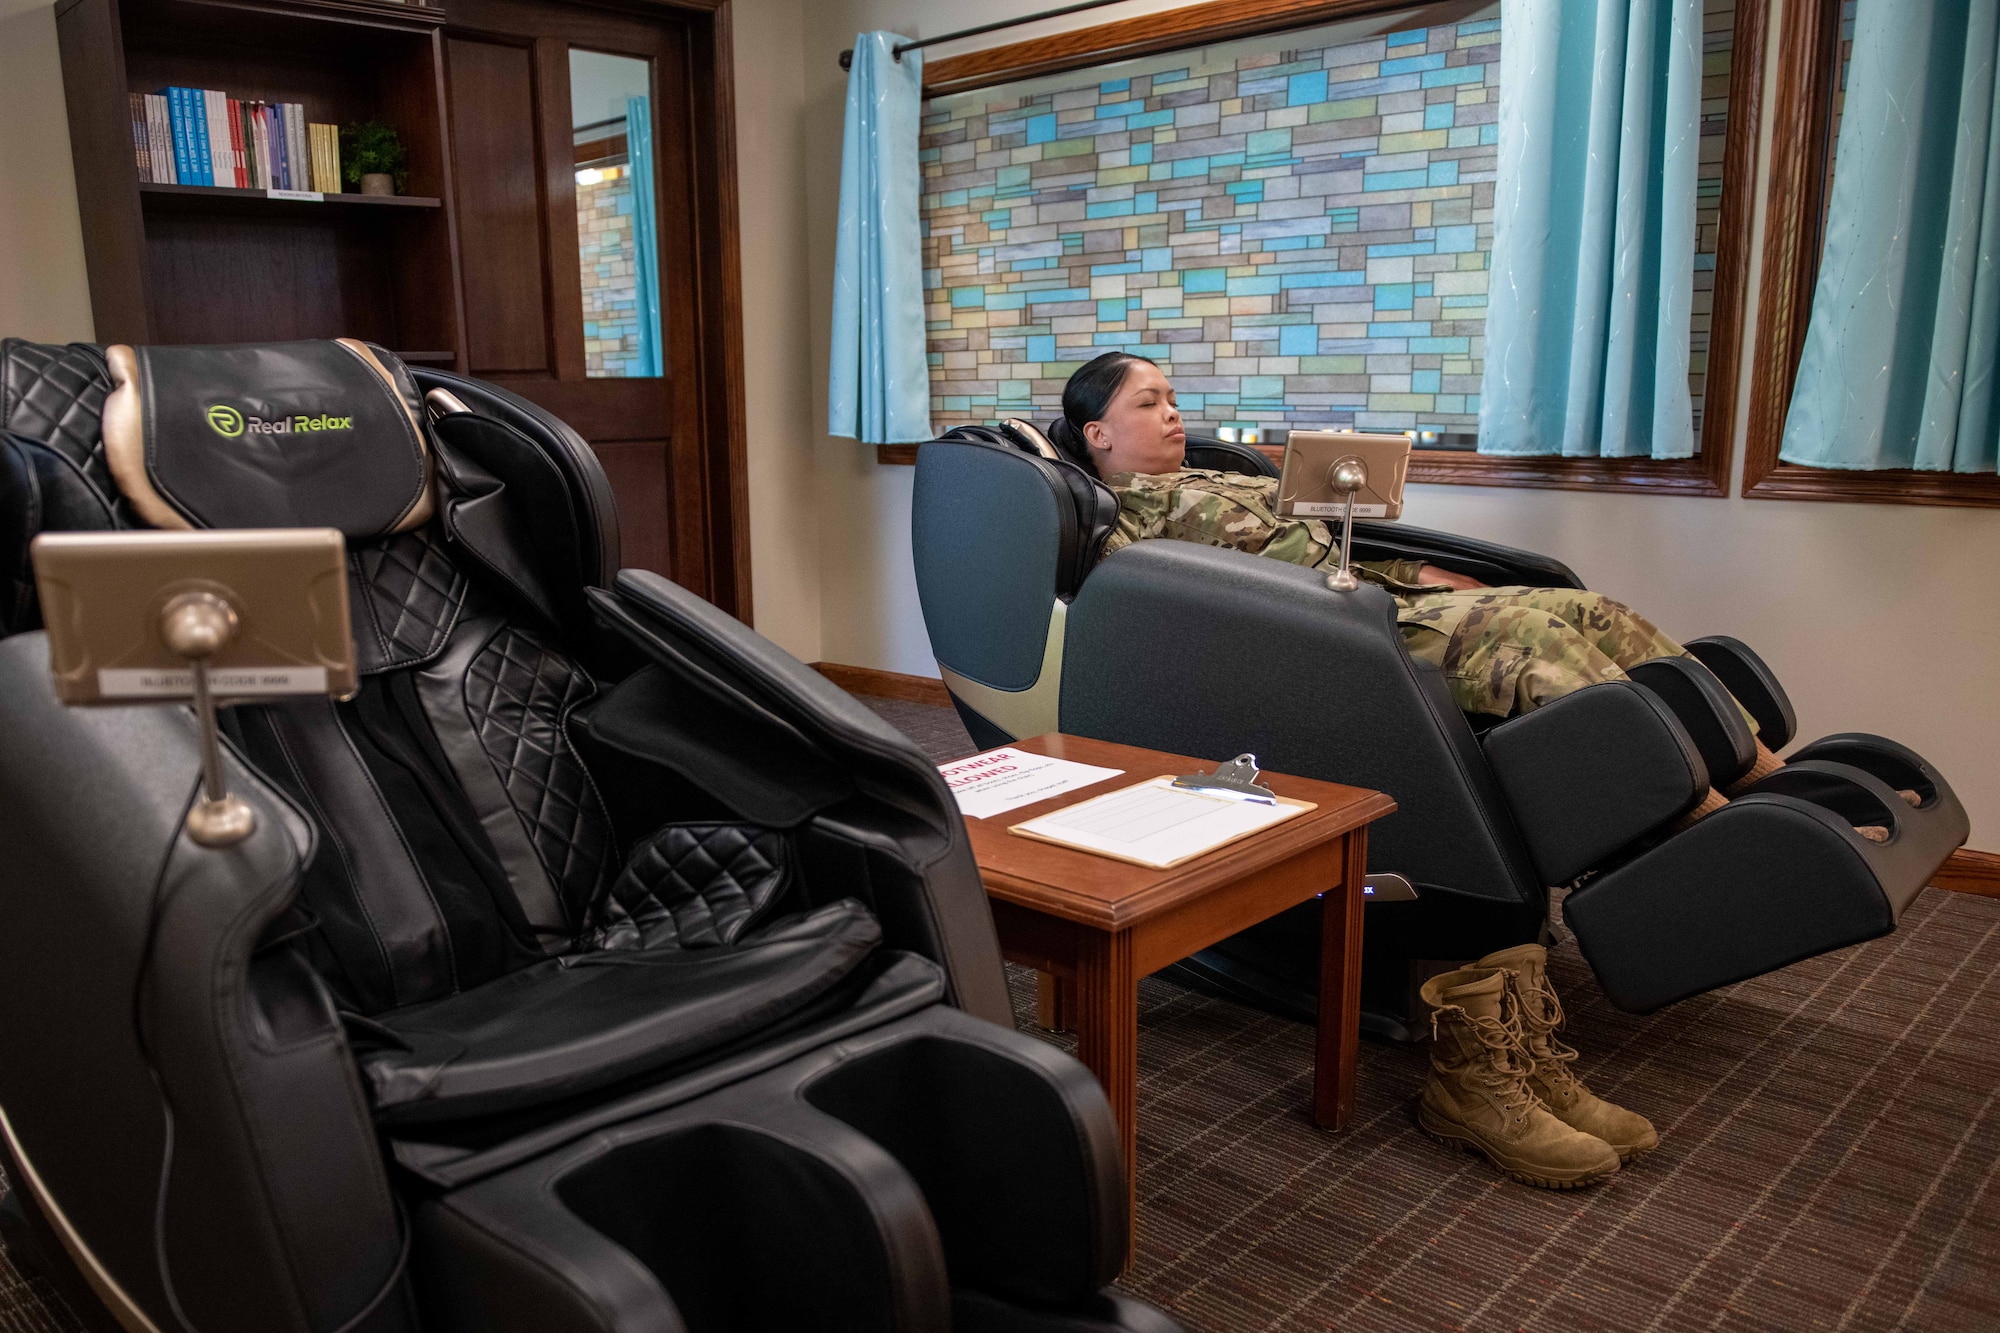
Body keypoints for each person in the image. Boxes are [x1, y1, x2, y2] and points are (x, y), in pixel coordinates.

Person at [1044, 350, 1748, 733]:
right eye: (1148, 403)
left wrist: (1418, 569)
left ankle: (1745, 753)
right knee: (1533, 636)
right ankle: (1687, 792)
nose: (1171, 414)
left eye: (1172, 399)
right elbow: (1165, 610)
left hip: (1375, 599)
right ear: (1098, 433)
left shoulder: (1221, 473)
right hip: (1327, 634)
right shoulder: (1116, 517)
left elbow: (1327, 539)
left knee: (1585, 606)